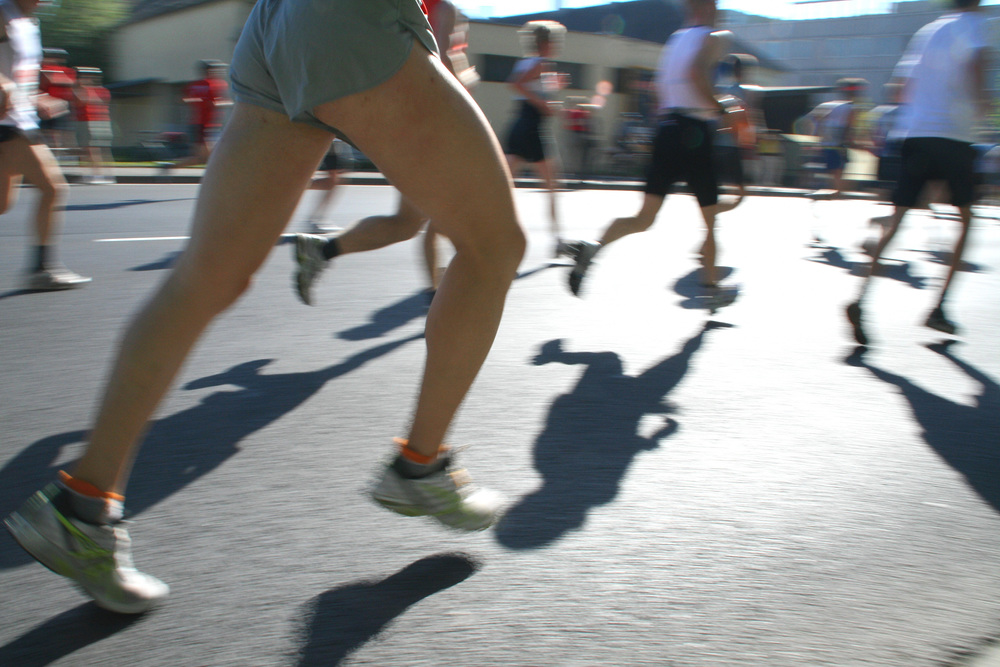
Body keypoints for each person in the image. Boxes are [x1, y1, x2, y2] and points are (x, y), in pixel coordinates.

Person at [5, 0, 525, 614]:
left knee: (207, 277)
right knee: (495, 247)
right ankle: (420, 466)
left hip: (278, 24)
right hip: (351, 22)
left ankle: (82, 507)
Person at [294, 0, 477, 301]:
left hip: (408, 117)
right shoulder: (443, 8)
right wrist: (468, 76)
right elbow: (441, 62)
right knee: (465, 218)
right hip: (432, 122)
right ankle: (442, 297)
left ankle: (322, 250)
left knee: (408, 223)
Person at [566, 0, 739, 301]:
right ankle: (711, 291)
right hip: (694, 131)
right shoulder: (712, 37)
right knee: (711, 220)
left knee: (644, 217)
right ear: (708, 5)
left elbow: (661, 88)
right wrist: (720, 108)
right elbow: (697, 73)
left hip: (668, 129)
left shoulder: (676, 39)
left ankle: (592, 247)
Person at [846, 0, 992, 345]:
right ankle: (939, 307)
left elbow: (901, 86)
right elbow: (976, 68)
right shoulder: (973, 23)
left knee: (899, 218)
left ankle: (860, 298)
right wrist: (983, 110)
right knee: (967, 219)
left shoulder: (929, 30)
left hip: (915, 134)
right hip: (955, 135)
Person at [0, 0, 90, 290]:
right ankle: (41, 269)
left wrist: (36, 97)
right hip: (7, 125)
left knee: (2, 205)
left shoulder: (29, 23)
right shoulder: (3, 13)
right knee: (53, 188)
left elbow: (18, 74)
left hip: (20, 120)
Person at [504, 20, 570, 258]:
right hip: (532, 129)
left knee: (503, 186)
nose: (556, 46)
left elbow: (530, 90)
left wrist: (551, 94)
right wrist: (542, 103)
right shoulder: (542, 63)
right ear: (546, 43)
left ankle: (485, 229)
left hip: (520, 126)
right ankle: (557, 240)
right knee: (553, 186)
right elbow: (516, 85)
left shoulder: (527, 62)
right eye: (554, 42)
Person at [159, 59, 231, 175]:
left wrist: (198, 102)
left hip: (200, 124)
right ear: (210, 71)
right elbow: (215, 103)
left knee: (204, 158)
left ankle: (170, 167)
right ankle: (170, 167)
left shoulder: (195, 85)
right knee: (210, 157)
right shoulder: (216, 84)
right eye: (217, 70)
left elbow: (183, 99)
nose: (219, 72)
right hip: (207, 125)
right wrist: (229, 103)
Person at [72, 67, 115, 184]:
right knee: (102, 149)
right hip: (103, 120)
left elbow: (80, 102)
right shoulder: (103, 90)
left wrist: (77, 89)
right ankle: (107, 175)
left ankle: (97, 175)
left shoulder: (83, 90)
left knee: (91, 150)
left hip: (88, 121)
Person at [302, 138, 350, 234]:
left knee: (333, 181)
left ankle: (317, 219)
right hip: (324, 139)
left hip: (330, 141)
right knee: (333, 181)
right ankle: (315, 219)